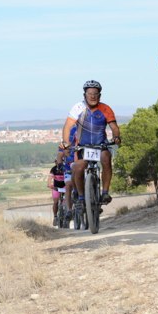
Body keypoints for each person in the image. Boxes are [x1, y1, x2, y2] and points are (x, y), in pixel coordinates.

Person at [60, 80, 121, 209]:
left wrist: (116, 137)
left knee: (106, 158)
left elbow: (114, 127)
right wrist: (66, 143)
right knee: (78, 168)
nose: (93, 96)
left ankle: (105, 192)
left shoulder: (105, 108)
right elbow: (67, 127)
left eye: (95, 94)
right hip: (83, 146)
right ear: (85, 95)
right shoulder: (78, 108)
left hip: (100, 145)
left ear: (100, 96)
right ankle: (81, 197)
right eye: (90, 94)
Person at [47, 160, 66, 226]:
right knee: (55, 202)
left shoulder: (66, 167)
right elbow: (50, 178)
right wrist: (49, 184)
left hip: (65, 186)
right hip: (56, 187)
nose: (57, 163)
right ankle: (55, 217)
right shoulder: (53, 169)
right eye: (56, 162)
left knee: (67, 200)